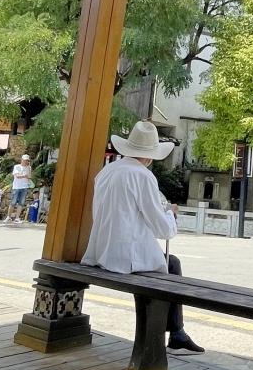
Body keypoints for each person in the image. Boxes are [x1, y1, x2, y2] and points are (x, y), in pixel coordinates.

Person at [81, 121, 204, 353]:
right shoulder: (142, 176)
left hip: (101, 251)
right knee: (172, 265)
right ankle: (176, 333)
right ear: (149, 156)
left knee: (170, 264)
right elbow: (163, 230)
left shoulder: (106, 172)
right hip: (125, 257)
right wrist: (170, 213)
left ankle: (177, 332)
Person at [5, 154, 32, 224]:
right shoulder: (17, 166)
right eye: (24, 160)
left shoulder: (29, 167)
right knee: (13, 202)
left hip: (24, 187)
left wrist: (28, 167)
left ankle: (17, 218)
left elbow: (29, 176)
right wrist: (24, 176)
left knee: (21, 203)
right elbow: (17, 176)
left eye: (27, 160)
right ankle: (9, 216)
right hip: (16, 186)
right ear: (21, 160)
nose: (25, 161)